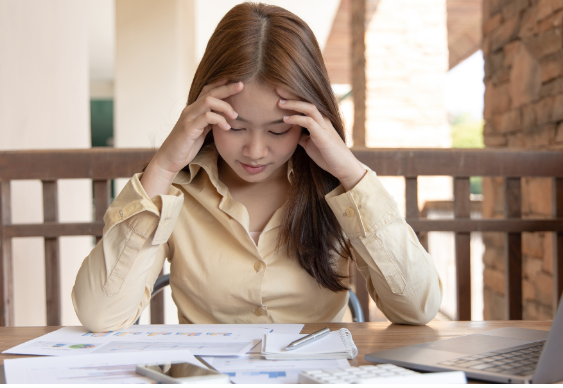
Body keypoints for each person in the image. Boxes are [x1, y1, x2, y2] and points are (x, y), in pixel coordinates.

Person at [72, 2, 442, 332]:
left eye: (278, 130)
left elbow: (418, 308)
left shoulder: (338, 191)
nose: (255, 151)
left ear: (310, 122)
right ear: (204, 113)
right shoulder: (176, 190)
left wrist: (350, 173)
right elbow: (100, 315)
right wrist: (165, 165)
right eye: (235, 127)